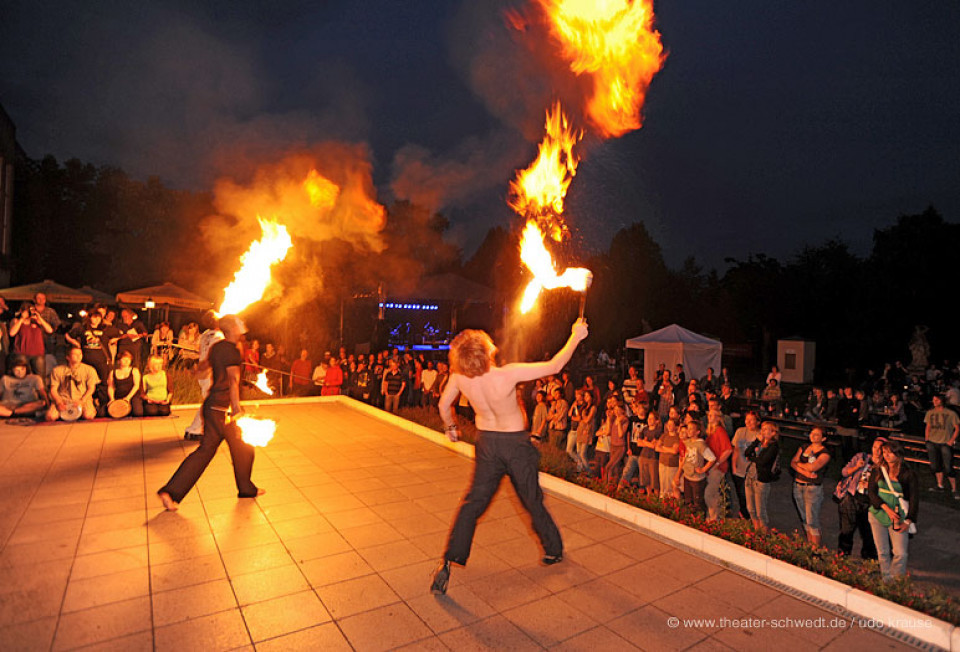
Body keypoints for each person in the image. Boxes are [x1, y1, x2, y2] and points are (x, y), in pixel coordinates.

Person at [430, 318, 588, 594]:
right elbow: (554, 366)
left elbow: (444, 404)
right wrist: (576, 335)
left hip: (487, 444)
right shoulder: (506, 374)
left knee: (472, 504)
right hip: (515, 445)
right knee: (531, 499)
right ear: (484, 350)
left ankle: (448, 560)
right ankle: (552, 550)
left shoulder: (458, 378)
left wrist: (451, 428)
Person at [158, 315, 264, 511]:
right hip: (224, 411)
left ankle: (245, 488)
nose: (242, 325)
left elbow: (203, 368)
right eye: (238, 323)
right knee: (217, 450)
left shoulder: (218, 347)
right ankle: (171, 491)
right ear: (231, 328)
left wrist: (195, 372)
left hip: (213, 406)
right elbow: (232, 381)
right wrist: (237, 409)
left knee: (241, 449)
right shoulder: (231, 351)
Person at [868, 441, 919, 580]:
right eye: (884, 452)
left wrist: (908, 521)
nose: (887, 455)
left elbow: (914, 498)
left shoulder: (908, 473)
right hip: (878, 514)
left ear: (898, 454)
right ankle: (886, 580)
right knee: (882, 551)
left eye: (890, 452)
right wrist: (886, 508)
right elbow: (871, 492)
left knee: (900, 553)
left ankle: (896, 582)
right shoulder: (878, 469)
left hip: (899, 516)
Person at [834, 437, 883, 559]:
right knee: (846, 530)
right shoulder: (862, 457)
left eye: (880, 448)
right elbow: (844, 472)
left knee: (868, 533)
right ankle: (843, 554)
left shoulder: (885, 466)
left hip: (870, 503)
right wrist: (857, 467)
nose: (877, 450)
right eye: (875, 447)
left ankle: (868, 559)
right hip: (852, 497)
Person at [183, 312, 224, 440]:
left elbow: (201, 351)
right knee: (209, 402)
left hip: (202, 372)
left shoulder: (205, 334)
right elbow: (214, 356)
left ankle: (212, 427)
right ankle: (194, 429)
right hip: (210, 372)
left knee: (212, 401)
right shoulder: (219, 336)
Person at [790, 426, 831, 546]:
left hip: (812, 488)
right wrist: (805, 472)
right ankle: (809, 544)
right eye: (812, 433)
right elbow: (792, 462)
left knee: (812, 520)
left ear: (823, 438)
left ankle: (815, 549)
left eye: (817, 434)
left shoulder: (824, 453)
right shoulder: (803, 447)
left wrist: (800, 465)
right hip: (798, 485)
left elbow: (813, 467)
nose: (813, 436)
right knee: (804, 518)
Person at [66, 311, 110, 412]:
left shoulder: (105, 328)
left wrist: (112, 341)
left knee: (103, 382)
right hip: (87, 359)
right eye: (94, 317)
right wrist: (76, 343)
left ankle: (103, 405)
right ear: (90, 318)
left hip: (101, 359)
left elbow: (119, 334)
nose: (96, 320)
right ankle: (89, 401)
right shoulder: (82, 328)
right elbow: (68, 335)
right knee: (88, 381)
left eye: (98, 318)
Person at [744, 421, 781, 530]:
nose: (763, 431)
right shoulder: (760, 443)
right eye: (762, 429)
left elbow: (763, 461)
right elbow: (747, 452)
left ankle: (763, 533)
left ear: (773, 432)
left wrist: (751, 458)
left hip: (761, 480)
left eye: (766, 429)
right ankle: (756, 530)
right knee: (751, 508)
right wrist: (756, 441)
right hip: (750, 476)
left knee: (761, 511)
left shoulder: (773, 446)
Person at [46, 347, 100, 421]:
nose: (78, 356)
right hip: (63, 399)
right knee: (50, 417)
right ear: (68, 357)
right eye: (75, 354)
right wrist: (59, 402)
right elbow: (53, 389)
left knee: (89, 415)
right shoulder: (57, 370)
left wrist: (82, 401)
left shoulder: (89, 370)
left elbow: (91, 388)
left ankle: (81, 412)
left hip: (82, 398)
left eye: (80, 354)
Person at [674, 421, 715, 516]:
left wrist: (703, 469)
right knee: (688, 500)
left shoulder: (700, 445)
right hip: (687, 476)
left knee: (698, 503)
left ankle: (699, 520)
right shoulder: (687, 443)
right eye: (688, 428)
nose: (688, 430)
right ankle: (690, 519)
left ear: (697, 432)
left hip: (697, 479)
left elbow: (712, 458)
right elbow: (684, 458)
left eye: (691, 429)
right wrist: (679, 474)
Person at [924, 394, 959, 498]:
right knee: (935, 465)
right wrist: (927, 439)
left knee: (948, 467)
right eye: (933, 399)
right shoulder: (930, 413)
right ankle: (940, 485)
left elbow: (957, 428)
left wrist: (952, 440)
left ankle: (954, 489)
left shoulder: (950, 413)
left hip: (945, 443)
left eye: (936, 400)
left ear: (941, 401)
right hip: (932, 442)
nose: (934, 401)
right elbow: (928, 426)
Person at [9, 301, 54, 379]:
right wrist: (22, 319)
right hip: (21, 352)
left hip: (38, 353)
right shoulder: (17, 321)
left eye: (33, 310)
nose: (30, 312)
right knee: (21, 377)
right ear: (22, 311)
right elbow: (12, 333)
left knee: (40, 378)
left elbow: (50, 330)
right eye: (28, 310)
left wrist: (39, 318)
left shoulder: (38, 322)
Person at [730, 411, 761, 520]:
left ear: (757, 421)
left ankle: (753, 517)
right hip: (740, 468)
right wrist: (733, 466)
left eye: (751, 419)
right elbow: (736, 450)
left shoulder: (760, 434)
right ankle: (743, 514)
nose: (748, 422)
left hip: (753, 471)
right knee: (741, 494)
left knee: (752, 495)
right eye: (746, 419)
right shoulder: (740, 431)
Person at [704, 409, 733, 521]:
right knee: (713, 493)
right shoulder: (711, 432)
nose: (709, 417)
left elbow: (728, 449)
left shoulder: (720, 431)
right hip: (709, 467)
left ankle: (715, 518)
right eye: (709, 415)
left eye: (712, 415)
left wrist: (718, 462)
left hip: (716, 468)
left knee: (710, 494)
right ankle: (711, 517)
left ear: (718, 417)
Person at [0, 354, 48, 419]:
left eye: (22, 369)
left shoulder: (35, 378)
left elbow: (42, 393)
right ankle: (14, 413)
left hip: (27, 405)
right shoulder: (5, 379)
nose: (20, 372)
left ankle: (13, 413)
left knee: (42, 403)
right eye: (17, 370)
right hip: (8, 406)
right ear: (12, 370)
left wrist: (48, 405)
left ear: (26, 368)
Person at [32, 292, 62, 375]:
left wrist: (51, 332)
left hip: (48, 339)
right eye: (39, 298)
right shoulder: (30, 310)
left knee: (48, 359)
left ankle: (48, 375)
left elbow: (57, 324)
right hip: (33, 339)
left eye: (43, 298)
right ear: (34, 299)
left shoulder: (50, 311)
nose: (41, 300)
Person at [108, 351, 142, 417]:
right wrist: (111, 399)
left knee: (138, 413)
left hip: (132, 396)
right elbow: (111, 387)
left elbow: (136, 385)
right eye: (124, 359)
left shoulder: (134, 370)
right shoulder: (113, 372)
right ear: (118, 361)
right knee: (107, 412)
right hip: (119, 396)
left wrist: (128, 398)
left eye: (128, 359)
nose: (126, 361)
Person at [656, 418, 681, 499]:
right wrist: (668, 449)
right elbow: (657, 447)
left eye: (671, 424)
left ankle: (669, 503)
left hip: (672, 465)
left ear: (675, 426)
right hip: (662, 462)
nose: (669, 426)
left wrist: (663, 447)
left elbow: (674, 451)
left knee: (670, 486)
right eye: (668, 424)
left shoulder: (678, 437)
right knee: (662, 484)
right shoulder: (664, 435)